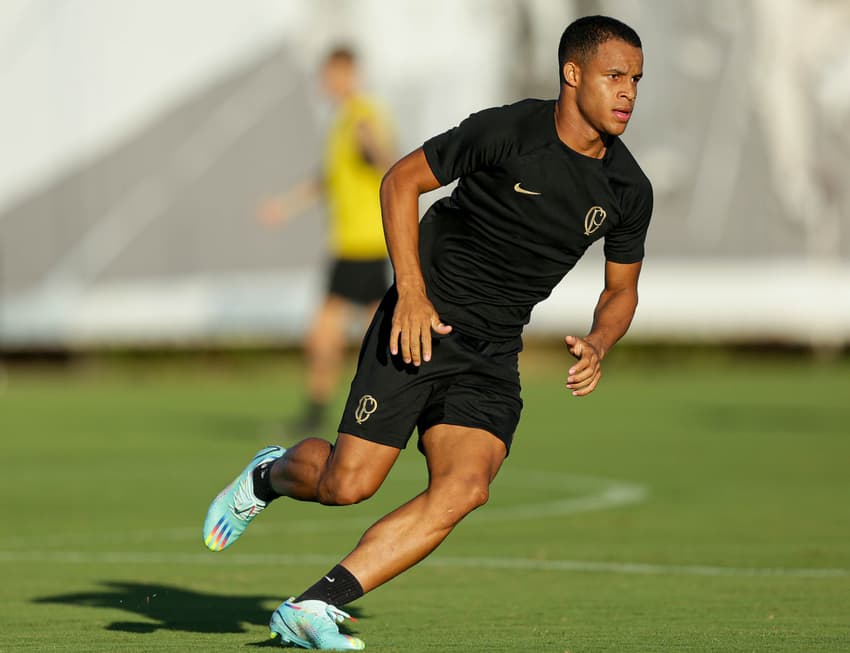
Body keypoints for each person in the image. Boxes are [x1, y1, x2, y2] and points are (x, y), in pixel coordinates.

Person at [205, 15, 651, 650]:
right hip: (420, 325)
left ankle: (312, 606)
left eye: (636, 79)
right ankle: (267, 477)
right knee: (347, 485)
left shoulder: (629, 187)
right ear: (571, 75)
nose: (629, 91)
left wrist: (602, 341)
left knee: (466, 487)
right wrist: (410, 293)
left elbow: (621, 290)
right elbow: (401, 181)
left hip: (493, 353)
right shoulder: (507, 130)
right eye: (615, 76)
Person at [260, 46, 395, 433]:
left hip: (366, 245)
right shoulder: (340, 121)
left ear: (349, 74)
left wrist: (372, 147)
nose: (326, 83)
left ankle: (347, 411)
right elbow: (326, 179)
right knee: (362, 337)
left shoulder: (363, 114)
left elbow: (384, 159)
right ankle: (332, 412)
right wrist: (284, 207)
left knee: (338, 336)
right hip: (348, 245)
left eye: (332, 75)